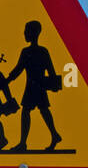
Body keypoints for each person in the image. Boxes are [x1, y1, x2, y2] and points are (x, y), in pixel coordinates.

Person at [5, 20, 63, 151]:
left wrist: (7, 80)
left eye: (27, 31)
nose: (25, 34)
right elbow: (50, 70)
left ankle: (24, 143)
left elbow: (18, 69)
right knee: (42, 110)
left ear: (33, 33)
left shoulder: (28, 52)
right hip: (38, 86)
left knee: (28, 111)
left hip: (34, 86)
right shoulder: (42, 51)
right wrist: (7, 80)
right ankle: (54, 134)